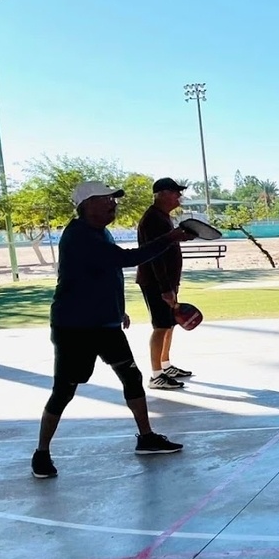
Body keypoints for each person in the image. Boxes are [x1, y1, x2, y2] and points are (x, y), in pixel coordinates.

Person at [31, 181, 195, 479]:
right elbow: (124, 259)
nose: (113, 204)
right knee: (64, 391)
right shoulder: (79, 235)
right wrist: (169, 238)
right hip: (75, 328)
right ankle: (41, 452)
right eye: (106, 199)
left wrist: (119, 310)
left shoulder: (100, 232)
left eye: (113, 200)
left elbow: (107, 274)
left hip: (106, 325)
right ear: (86, 204)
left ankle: (146, 437)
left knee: (131, 376)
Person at [136, 177, 192, 390]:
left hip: (167, 281)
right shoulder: (153, 219)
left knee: (169, 323)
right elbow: (154, 256)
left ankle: (166, 365)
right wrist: (165, 288)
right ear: (161, 194)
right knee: (160, 326)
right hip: (156, 282)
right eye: (175, 192)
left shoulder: (162, 217)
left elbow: (166, 244)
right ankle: (156, 375)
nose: (179, 196)